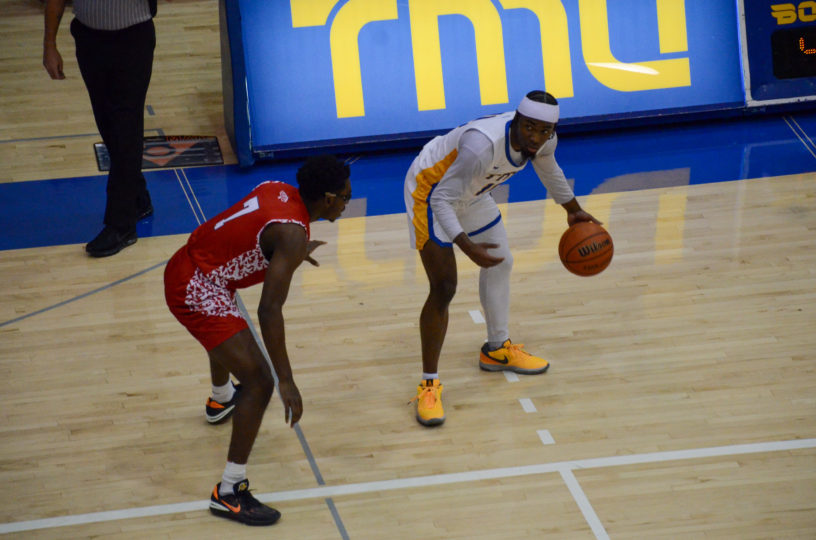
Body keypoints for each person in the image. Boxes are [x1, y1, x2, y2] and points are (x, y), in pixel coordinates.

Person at [164, 155, 352, 526]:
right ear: (328, 199)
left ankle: (220, 401)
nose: (349, 201)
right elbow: (269, 311)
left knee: (229, 328)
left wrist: (291, 254)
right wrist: (285, 379)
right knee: (260, 381)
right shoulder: (293, 235)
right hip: (197, 287)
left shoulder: (278, 191)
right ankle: (229, 492)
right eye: (346, 196)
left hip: (196, 267)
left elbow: (253, 232)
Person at [404, 90, 600, 427]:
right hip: (431, 190)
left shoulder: (543, 142)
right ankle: (429, 384)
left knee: (502, 261)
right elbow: (442, 200)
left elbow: (549, 170)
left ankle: (496, 348)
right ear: (517, 120)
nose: (536, 138)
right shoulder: (482, 146)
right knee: (444, 286)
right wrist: (467, 247)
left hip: (474, 191)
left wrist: (574, 211)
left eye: (544, 132)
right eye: (530, 128)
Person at [43, 0, 158, 257]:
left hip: (133, 38)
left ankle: (121, 226)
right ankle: (137, 197)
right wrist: (49, 44)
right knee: (108, 124)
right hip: (89, 39)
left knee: (125, 129)